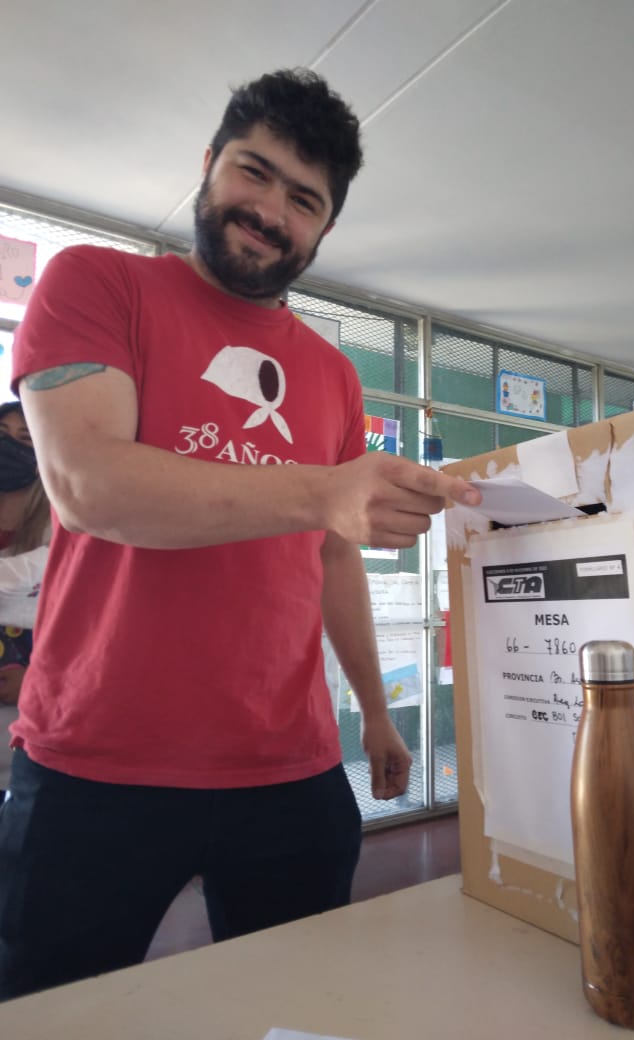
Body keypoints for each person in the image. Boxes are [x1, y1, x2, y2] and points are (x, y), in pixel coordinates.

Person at [0, 68, 481, 1000]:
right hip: (97, 761)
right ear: (209, 163)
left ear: (325, 229)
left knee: (294, 1009)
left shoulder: (335, 376)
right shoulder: (97, 282)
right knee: (51, 1011)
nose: (269, 212)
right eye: (253, 172)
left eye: (304, 200)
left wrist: (377, 711)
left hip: (290, 769)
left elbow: (333, 554)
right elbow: (90, 485)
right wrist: (322, 492)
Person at [0, 401, 50, 801]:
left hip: (28, 677)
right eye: (2, 434)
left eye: (24, 439)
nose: (9, 446)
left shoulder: (60, 516)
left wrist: (32, 679)